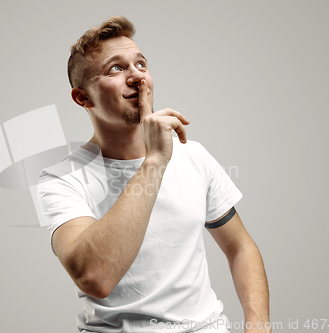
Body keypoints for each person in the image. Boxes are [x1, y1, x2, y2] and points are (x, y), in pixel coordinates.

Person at [37, 16, 271, 333]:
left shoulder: (194, 155)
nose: (137, 77)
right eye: (115, 69)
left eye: (141, 64)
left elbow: (240, 245)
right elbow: (95, 278)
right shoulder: (61, 178)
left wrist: (259, 325)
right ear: (83, 98)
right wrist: (155, 161)